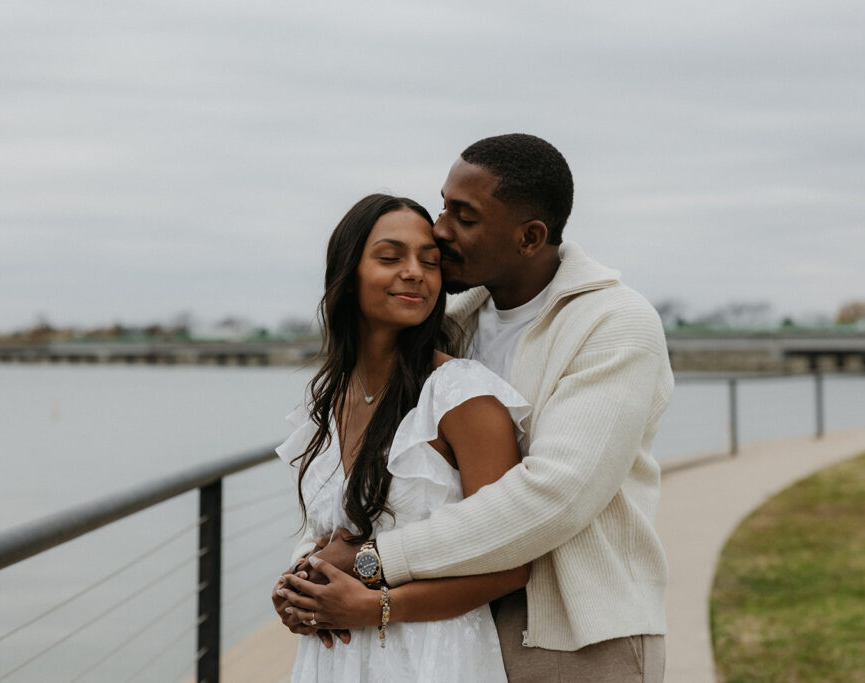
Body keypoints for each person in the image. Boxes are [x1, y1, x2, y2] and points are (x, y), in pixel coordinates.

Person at [274, 134, 674, 682]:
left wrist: (373, 562)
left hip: (572, 638)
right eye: (443, 205)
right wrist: (308, 574)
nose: (439, 229)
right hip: (450, 628)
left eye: (463, 216)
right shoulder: (448, 324)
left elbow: (554, 495)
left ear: (529, 237)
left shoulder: (613, 326)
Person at [273, 193, 533, 682]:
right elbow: (330, 539)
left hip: (434, 660)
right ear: (347, 276)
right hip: (334, 661)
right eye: (390, 257)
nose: (415, 272)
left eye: (429, 262)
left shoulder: (460, 395)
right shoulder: (326, 400)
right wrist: (295, 589)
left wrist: (374, 607)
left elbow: (509, 563)